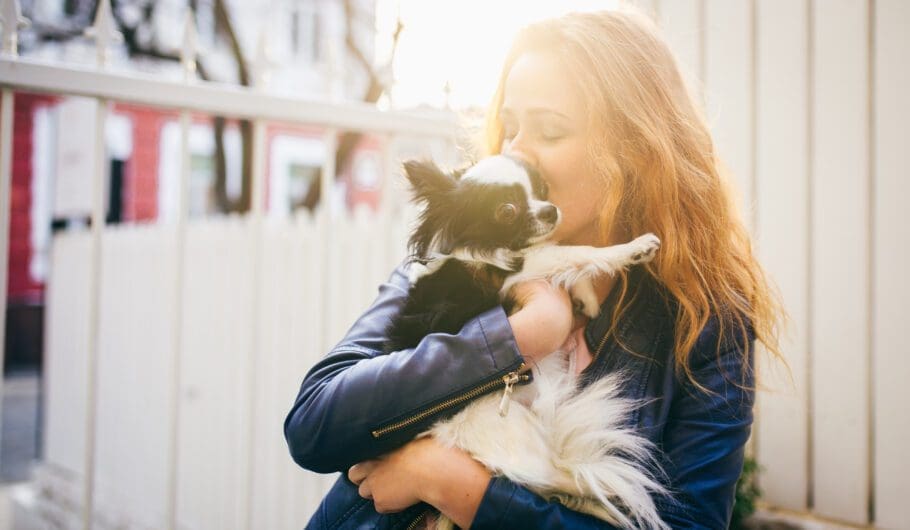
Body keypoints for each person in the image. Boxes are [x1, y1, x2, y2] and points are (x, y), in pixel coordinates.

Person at [285, 8, 783, 530]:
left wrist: (456, 485)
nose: (517, 149)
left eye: (549, 130)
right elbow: (315, 423)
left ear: (636, 150)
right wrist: (513, 340)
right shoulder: (458, 257)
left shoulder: (705, 324)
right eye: (512, 125)